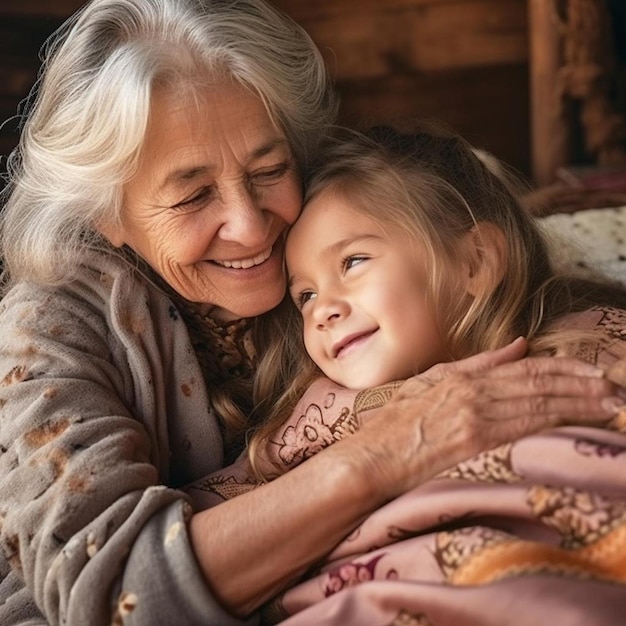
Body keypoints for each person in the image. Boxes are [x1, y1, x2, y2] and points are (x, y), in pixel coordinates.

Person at [0, 2, 623, 625]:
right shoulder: (44, 336)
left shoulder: (335, 219)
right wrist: (389, 450)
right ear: (106, 214)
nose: (249, 228)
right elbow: (113, 597)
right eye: (193, 196)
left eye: (269, 169)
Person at [187, 124, 626, 625]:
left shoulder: (586, 343)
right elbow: (198, 528)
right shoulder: (313, 416)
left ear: (475, 262)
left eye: (352, 261)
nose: (322, 310)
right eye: (304, 295)